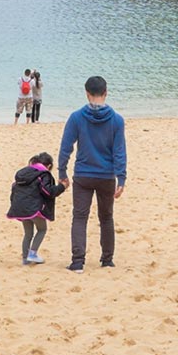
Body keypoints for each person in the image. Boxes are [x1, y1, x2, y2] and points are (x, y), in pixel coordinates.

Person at [58, 74, 127, 272]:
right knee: (106, 217)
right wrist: (121, 177)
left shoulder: (77, 117)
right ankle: (107, 260)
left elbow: (66, 147)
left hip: (83, 175)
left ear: (87, 93)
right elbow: (119, 151)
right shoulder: (116, 120)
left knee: (80, 217)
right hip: (106, 175)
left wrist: (62, 171)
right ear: (105, 93)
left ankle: (78, 262)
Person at [6, 150, 66, 266]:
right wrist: (61, 187)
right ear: (48, 166)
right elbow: (48, 192)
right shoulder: (44, 174)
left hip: (20, 208)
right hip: (34, 208)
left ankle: (25, 258)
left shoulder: (23, 174)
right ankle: (32, 254)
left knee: (28, 234)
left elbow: (14, 191)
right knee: (42, 229)